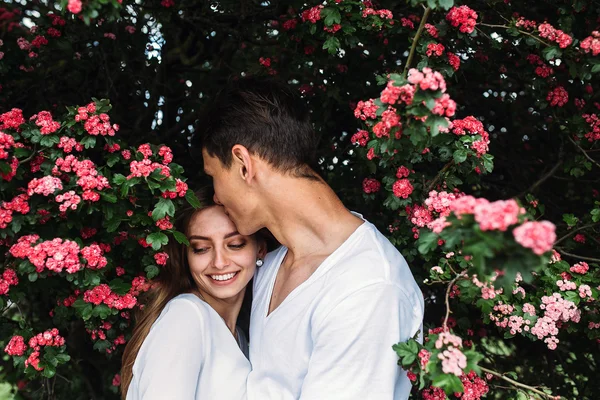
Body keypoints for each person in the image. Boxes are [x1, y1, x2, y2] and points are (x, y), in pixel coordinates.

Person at [198, 78, 425, 400]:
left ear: (243, 164)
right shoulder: (269, 261)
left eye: (214, 177)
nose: (217, 197)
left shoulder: (368, 288)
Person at [120, 188, 266, 400]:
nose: (219, 262)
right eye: (201, 248)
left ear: (260, 249)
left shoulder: (239, 338)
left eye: (234, 245)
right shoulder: (186, 317)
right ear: (186, 256)